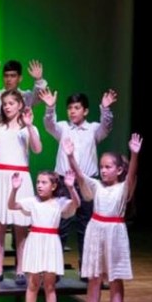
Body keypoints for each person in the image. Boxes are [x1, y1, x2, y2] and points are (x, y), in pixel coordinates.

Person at [65, 133, 142, 302]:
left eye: (108, 167)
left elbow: (132, 175)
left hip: (114, 233)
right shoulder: (97, 186)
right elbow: (81, 176)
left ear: (119, 170)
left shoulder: (123, 188)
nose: (103, 170)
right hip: (96, 230)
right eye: (102, 167)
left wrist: (134, 155)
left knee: (115, 277)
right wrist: (71, 157)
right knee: (94, 277)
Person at [42, 88, 116, 271]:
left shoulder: (93, 129)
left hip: (87, 182)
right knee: (61, 224)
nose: (72, 111)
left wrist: (105, 109)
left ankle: (86, 267)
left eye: (76, 108)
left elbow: (107, 126)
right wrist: (50, 107)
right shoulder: (63, 128)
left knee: (86, 225)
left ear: (86, 111)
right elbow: (49, 125)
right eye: (69, 108)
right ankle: (54, 267)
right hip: (64, 181)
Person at [0, 89, 42, 285]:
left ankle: (20, 271)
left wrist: (31, 126)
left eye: (11, 103)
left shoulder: (27, 129)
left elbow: (37, 149)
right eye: (5, 103)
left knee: (21, 227)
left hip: (20, 177)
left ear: (20, 105)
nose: (7, 106)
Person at [8, 169, 79, 302]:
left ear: (53, 186)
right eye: (38, 182)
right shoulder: (33, 201)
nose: (39, 185)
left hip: (51, 242)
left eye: (44, 182)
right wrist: (14, 189)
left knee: (50, 284)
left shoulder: (59, 202)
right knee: (32, 283)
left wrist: (71, 188)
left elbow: (76, 204)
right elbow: (12, 205)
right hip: (35, 241)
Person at [0, 56, 47, 121]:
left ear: (20, 78)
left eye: (13, 76)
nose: (9, 79)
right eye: (6, 76)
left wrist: (39, 80)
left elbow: (39, 95)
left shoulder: (26, 97)